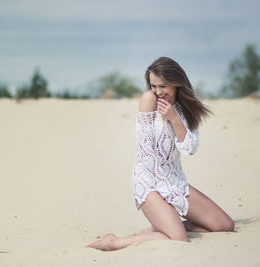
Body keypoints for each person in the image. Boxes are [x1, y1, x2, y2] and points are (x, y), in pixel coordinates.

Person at [87, 57, 234, 251]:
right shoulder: (149, 100)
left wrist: (174, 118)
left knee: (224, 226)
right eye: (153, 85)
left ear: (176, 83)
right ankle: (113, 242)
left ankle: (160, 230)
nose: (157, 91)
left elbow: (189, 149)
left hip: (175, 181)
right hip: (148, 180)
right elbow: (146, 150)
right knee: (179, 240)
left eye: (163, 86)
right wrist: (162, 191)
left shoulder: (188, 109)